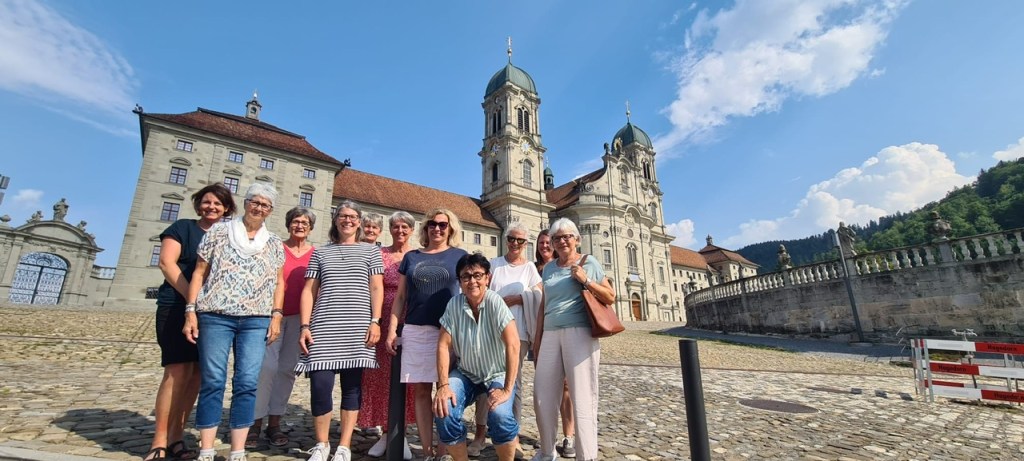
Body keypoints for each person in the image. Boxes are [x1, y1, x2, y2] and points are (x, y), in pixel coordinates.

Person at [183, 183, 286, 461]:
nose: (259, 207)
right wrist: (190, 310)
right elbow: (199, 272)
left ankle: (237, 450)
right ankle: (206, 449)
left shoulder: (274, 242)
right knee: (213, 381)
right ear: (246, 202)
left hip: (256, 318)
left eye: (265, 205)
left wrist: (276, 315)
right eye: (255, 202)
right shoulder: (219, 231)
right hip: (216, 315)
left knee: (247, 382)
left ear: (271, 210)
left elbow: (279, 282)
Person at [144, 184, 236, 461]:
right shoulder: (183, 228)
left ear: (227, 209)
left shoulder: (228, 236)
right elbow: (166, 263)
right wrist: (192, 299)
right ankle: (159, 440)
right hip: (176, 306)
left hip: (212, 314)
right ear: (198, 205)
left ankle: (177, 436)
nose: (212, 207)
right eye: (207, 202)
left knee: (197, 374)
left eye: (218, 204)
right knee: (177, 372)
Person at [296, 201, 384, 461]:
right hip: (323, 326)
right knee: (320, 387)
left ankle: (344, 445)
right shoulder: (321, 253)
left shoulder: (371, 252)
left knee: (352, 389)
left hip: (357, 327)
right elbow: (308, 291)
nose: (348, 220)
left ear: (359, 221)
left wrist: (375, 321)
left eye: (353, 216)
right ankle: (322, 444)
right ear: (335, 220)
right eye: (343, 216)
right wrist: (304, 325)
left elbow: (376, 288)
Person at [385, 208, 468, 461]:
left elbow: (470, 291)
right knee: (421, 391)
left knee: (446, 389)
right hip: (416, 329)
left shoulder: (460, 256)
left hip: (449, 331)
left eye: (443, 225)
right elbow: (400, 297)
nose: (437, 228)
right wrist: (392, 329)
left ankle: (444, 450)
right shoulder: (411, 257)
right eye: (433, 224)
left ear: (450, 229)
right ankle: (428, 450)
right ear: (426, 228)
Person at [531, 219, 615, 461]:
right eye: (557, 238)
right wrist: (538, 340)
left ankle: (586, 455)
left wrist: (586, 280)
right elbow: (544, 305)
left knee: (582, 396)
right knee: (542, 395)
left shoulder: (589, 262)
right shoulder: (548, 268)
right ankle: (547, 451)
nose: (562, 241)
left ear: (577, 239)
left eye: (567, 236)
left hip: (579, 332)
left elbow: (610, 296)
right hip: (550, 334)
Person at [434, 253, 521, 461]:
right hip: (466, 372)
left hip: (496, 372)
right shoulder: (454, 304)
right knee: (444, 410)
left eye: (477, 275)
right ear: (460, 281)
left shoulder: (495, 302)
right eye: (466, 276)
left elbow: (513, 344)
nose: (472, 281)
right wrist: (443, 385)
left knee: (500, 415)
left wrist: (508, 389)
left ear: (487, 278)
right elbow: (443, 346)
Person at [468, 223, 542, 458]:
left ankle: (513, 435)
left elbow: (540, 293)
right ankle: (480, 434)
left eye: (520, 241)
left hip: (518, 333)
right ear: (506, 239)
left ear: (526, 244)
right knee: (483, 382)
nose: (515, 244)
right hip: (490, 332)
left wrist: (520, 297)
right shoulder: (495, 264)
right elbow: (480, 290)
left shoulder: (530, 267)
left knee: (514, 385)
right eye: (512, 239)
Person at [249, 207, 317, 449]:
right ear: (288, 225)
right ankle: (255, 422)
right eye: (296, 222)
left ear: (311, 227)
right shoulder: (275, 247)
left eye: (305, 222)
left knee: (288, 369)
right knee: (266, 368)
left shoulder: (315, 253)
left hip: (300, 318)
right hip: (272, 315)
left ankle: (275, 422)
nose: (300, 226)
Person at [361, 212, 417, 459]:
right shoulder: (379, 254)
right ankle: (385, 432)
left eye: (405, 226)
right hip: (383, 320)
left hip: (411, 319)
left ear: (412, 230)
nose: (400, 230)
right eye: (395, 226)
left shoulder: (417, 256)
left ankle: (400, 433)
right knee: (381, 378)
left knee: (407, 378)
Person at [534, 230, 576, 459]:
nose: (545, 246)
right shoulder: (536, 269)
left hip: (567, 330)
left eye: (548, 242)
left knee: (567, 387)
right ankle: (547, 440)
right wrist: (537, 340)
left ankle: (569, 435)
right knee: (544, 388)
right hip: (541, 332)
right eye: (541, 243)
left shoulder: (566, 265)